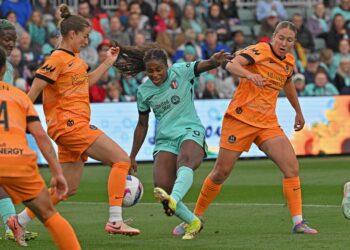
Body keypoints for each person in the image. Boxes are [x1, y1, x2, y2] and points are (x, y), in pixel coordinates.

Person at [174, 21, 318, 236]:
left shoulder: (288, 61)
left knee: (291, 168)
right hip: (240, 119)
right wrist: (250, 75)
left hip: (267, 123)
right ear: (273, 36)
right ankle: (194, 218)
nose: (284, 43)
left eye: (289, 40)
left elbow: (287, 83)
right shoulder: (260, 50)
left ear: (293, 43)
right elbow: (232, 65)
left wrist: (298, 111)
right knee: (221, 172)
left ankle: (298, 222)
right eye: (281, 38)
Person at [16, 4, 140, 236]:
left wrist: (107, 62)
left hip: (70, 126)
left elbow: (86, 83)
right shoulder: (58, 59)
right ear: (72, 34)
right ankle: (115, 220)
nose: (87, 41)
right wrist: (18, 114)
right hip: (70, 125)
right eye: (85, 37)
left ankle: (19, 221)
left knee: (67, 188)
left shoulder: (75, 60)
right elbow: (36, 87)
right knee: (121, 160)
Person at [113, 43, 228, 240]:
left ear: (167, 66)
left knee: (185, 162)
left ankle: (173, 200)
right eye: (150, 71)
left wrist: (214, 62)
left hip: (190, 131)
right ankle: (193, 221)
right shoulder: (144, 91)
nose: (155, 74)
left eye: (159, 69)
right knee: (162, 187)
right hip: (165, 140)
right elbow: (142, 125)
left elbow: (203, 65)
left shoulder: (181, 71)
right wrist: (132, 156)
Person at [0, 46, 81, 249]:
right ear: (4, 70)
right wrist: (57, 173)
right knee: (49, 215)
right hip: (17, 160)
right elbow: (41, 136)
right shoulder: (19, 97)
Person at [0, 18, 38, 242]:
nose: (11, 43)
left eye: (13, 40)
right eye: (6, 39)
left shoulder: (10, 68)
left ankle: (10, 225)